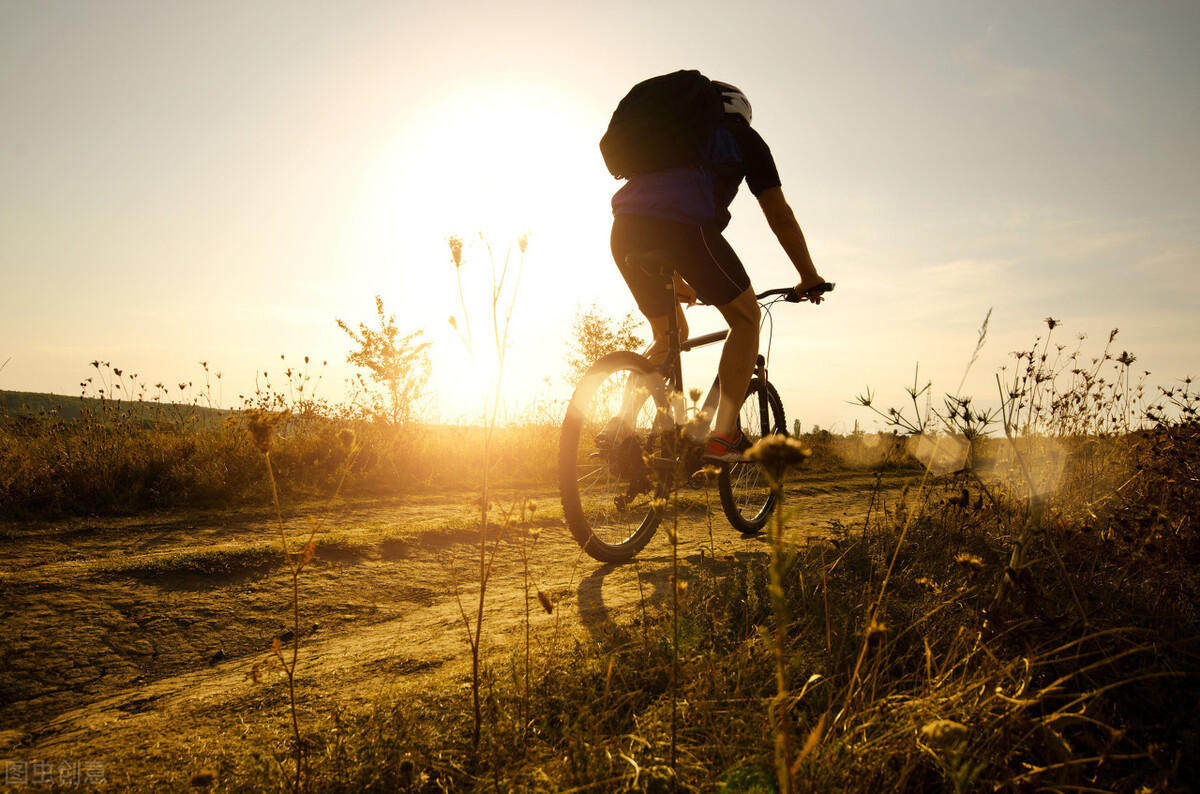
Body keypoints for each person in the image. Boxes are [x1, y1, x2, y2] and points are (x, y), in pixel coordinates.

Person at [608, 79, 830, 461]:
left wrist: (679, 279)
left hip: (625, 228)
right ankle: (723, 432)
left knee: (667, 334)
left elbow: (655, 203)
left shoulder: (670, 136)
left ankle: (621, 427)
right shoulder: (744, 137)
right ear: (740, 110)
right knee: (746, 318)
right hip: (684, 228)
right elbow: (780, 216)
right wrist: (808, 276)